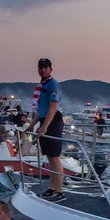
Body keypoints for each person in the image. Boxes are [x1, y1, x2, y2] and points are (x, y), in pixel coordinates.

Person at [32, 58, 67, 201]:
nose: (43, 69)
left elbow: (52, 107)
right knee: (49, 157)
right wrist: (30, 125)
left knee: (54, 156)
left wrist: (44, 127)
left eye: (45, 67)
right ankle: (52, 187)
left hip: (52, 122)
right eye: (40, 67)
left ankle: (59, 191)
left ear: (50, 69)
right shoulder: (41, 85)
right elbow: (39, 110)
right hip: (44, 120)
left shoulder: (53, 84)